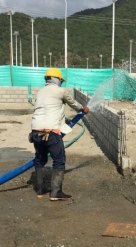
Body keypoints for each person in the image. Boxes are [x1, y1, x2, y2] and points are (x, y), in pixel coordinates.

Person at [31, 68, 89, 201]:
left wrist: (64, 120)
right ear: (57, 80)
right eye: (61, 81)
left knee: (40, 159)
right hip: (51, 133)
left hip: (36, 132)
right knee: (59, 160)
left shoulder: (40, 92)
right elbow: (75, 105)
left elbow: (47, 110)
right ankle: (56, 192)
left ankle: (40, 190)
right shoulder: (61, 91)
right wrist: (83, 109)